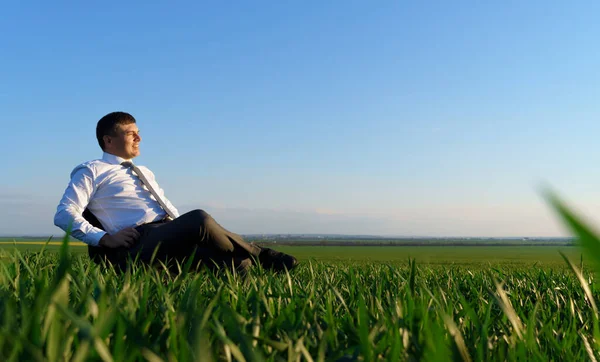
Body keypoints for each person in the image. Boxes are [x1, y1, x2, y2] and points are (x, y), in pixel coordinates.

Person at [54, 111, 298, 273]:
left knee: (235, 260)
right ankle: (262, 255)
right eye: (130, 133)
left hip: (165, 234)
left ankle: (245, 313)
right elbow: (64, 214)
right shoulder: (92, 169)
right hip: (134, 246)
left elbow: (173, 216)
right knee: (199, 219)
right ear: (108, 141)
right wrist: (105, 238)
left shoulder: (145, 172)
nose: (139, 137)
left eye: (138, 132)